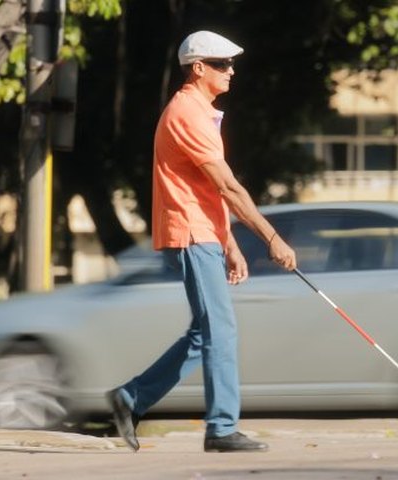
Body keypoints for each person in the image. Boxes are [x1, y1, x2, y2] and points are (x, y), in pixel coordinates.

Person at [106, 30, 297, 453]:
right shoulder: (188, 114)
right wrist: (271, 238)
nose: (231, 71)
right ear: (198, 68)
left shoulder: (200, 112)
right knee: (221, 331)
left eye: (231, 63)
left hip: (205, 232)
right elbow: (228, 187)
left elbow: (208, 189)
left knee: (205, 332)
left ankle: (129, 399)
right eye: (222, 64)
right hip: (191, 233)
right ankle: (222, 428)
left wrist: (229, 243)